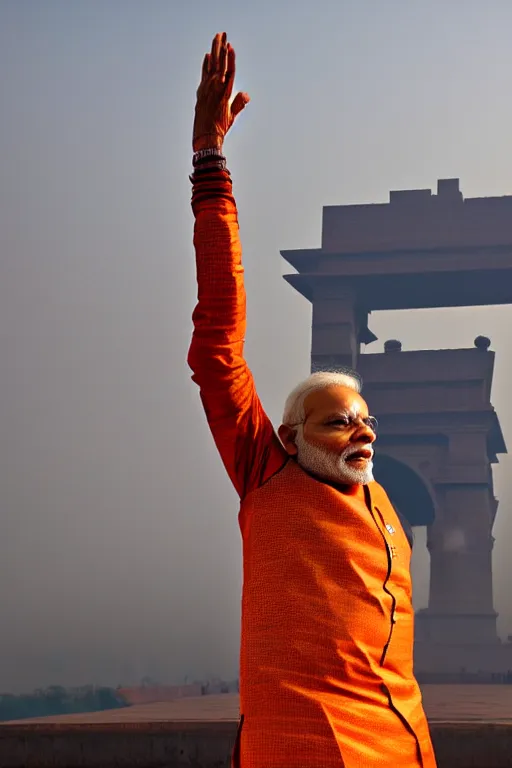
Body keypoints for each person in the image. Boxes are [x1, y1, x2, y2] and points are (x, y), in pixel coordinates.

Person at [188, 32, 437, 768]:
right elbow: (218, 350)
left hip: (403, 745)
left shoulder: (384, 504)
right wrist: (211, 171)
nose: (362, 432)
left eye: (366, 419)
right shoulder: (267, 473)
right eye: (338, 420)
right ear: (291, 435)